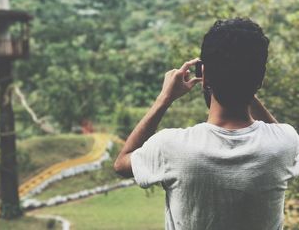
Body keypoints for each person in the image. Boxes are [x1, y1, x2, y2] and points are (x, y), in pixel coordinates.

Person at [114, 18, 299, 230]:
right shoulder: (285, 142)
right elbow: (277, 135)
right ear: (261, 78)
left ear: (204, 75)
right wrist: (244, 83)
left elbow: (121, 164)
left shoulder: (171, 146)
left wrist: (164, 98)